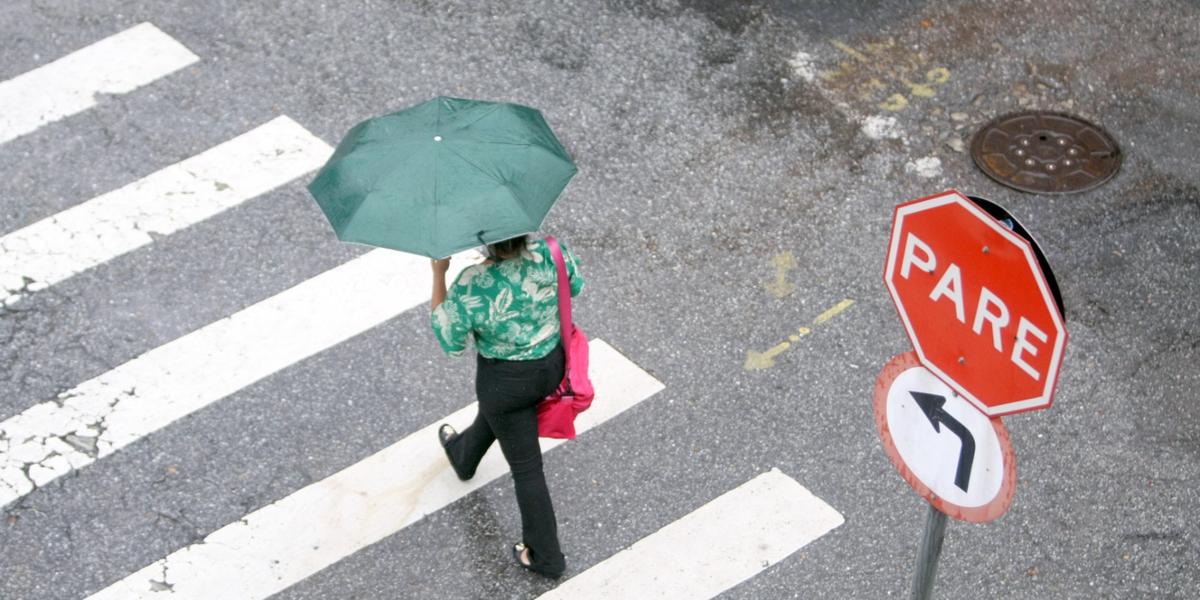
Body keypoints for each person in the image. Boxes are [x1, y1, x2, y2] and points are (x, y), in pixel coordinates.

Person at [429, 233, 584, 579]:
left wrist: (438, 273)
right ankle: (463, 455)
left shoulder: (474, 282)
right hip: (551, 366)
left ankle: (546, 557)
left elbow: (449, 340)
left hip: (505, 383)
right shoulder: (551, 251)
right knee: (501, 414)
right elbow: (574, 287)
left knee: (527, 469)